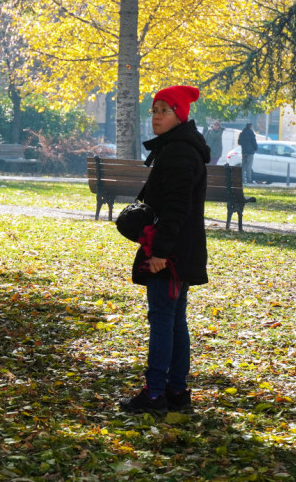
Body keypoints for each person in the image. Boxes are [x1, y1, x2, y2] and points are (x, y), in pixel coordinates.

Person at [119, 85, 209, 414]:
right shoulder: (178, 147)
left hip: (169, 254)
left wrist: (159, 252)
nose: (156, 117)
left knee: (162, 321)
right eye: (154, 111)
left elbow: (176, 208)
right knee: (173, 321)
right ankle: (176, 392)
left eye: (164, 111)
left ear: (179, 115)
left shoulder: (179, 152)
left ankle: (156, 394)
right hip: (178, 250)